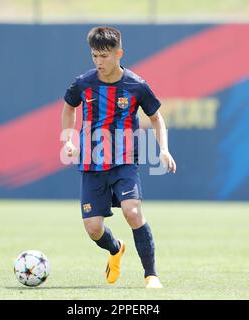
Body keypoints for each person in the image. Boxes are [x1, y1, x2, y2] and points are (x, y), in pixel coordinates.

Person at [61, 26, 176, 288]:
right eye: (94, 56)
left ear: (119, 53)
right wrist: (68, 138)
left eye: (104, 56)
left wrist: (164, 149)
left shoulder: (136, 85)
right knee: (93, 228)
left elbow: (156, 119)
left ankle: (151, 275)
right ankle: (116, 248)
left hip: (124, 161)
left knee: (132, 212)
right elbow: (69, 106)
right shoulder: (83, 83)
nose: (99, 62)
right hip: (91, 163)